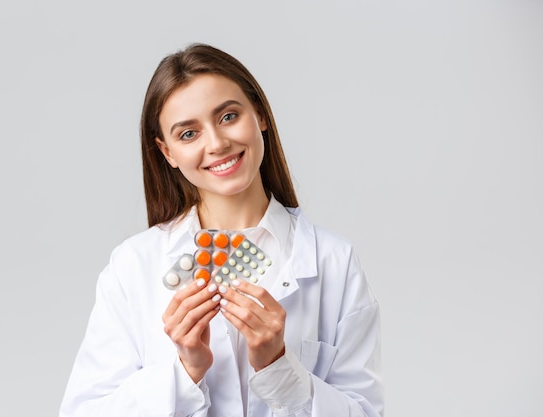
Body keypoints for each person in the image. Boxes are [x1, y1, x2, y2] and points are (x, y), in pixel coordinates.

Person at [59, 43, 383, 417]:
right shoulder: (134, 264)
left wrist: (278, 365)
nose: (216, 144)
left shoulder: (333, 262)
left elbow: (365, 412)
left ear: (259, 113)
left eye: (228, 116)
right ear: (167, 153)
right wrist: (185, 371)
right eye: (187, 134)